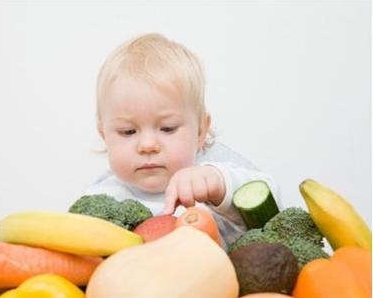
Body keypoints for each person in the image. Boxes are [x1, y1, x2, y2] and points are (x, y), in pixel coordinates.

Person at [85, 33, 281, 248]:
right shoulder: (102, 199)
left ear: (200, 132)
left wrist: (219, 185)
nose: (147, 145)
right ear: (105, 135)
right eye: (128, 132)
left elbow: (274, 207)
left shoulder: (212, 174)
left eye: (167, 128)